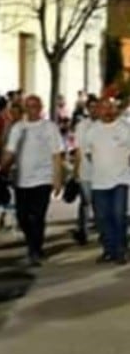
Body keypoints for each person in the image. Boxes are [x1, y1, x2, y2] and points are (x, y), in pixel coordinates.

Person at [1, 95, 63, 266]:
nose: (32, 109)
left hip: (43, 180)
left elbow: (57, 154)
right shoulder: (18, 128)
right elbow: (10, 152)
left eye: (35, 106)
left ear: (41, 107)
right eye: (28, 106)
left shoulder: (49, 127)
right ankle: (32, 242)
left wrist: (57, 179)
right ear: (24, 109)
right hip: (21, 180)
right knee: (22, 217)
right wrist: (2, 167)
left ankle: (35, 249)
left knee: (38, 216)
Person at [86, 98, 130, 264]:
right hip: (99, 181)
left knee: (119, 215)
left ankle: (120, 250)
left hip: (120, 179)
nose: (107, 111)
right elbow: (89, 153)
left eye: (110, 107)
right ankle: (108, 250)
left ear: (115, 108)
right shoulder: (92, 130)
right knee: (103, 217)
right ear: (98, 110)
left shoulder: (124, 127)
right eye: (103, 108)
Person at [72, 95, 99, 245]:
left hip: (102, 172)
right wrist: (76, 170)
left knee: (98, 203)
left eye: (97, 107)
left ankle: (100, 230)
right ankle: (83, 231)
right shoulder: (82, 126)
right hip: (85, 171)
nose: (94, 110)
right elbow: (78, 149)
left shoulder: (104, 124)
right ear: (88, 109)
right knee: (85, 201)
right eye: (92, 107)